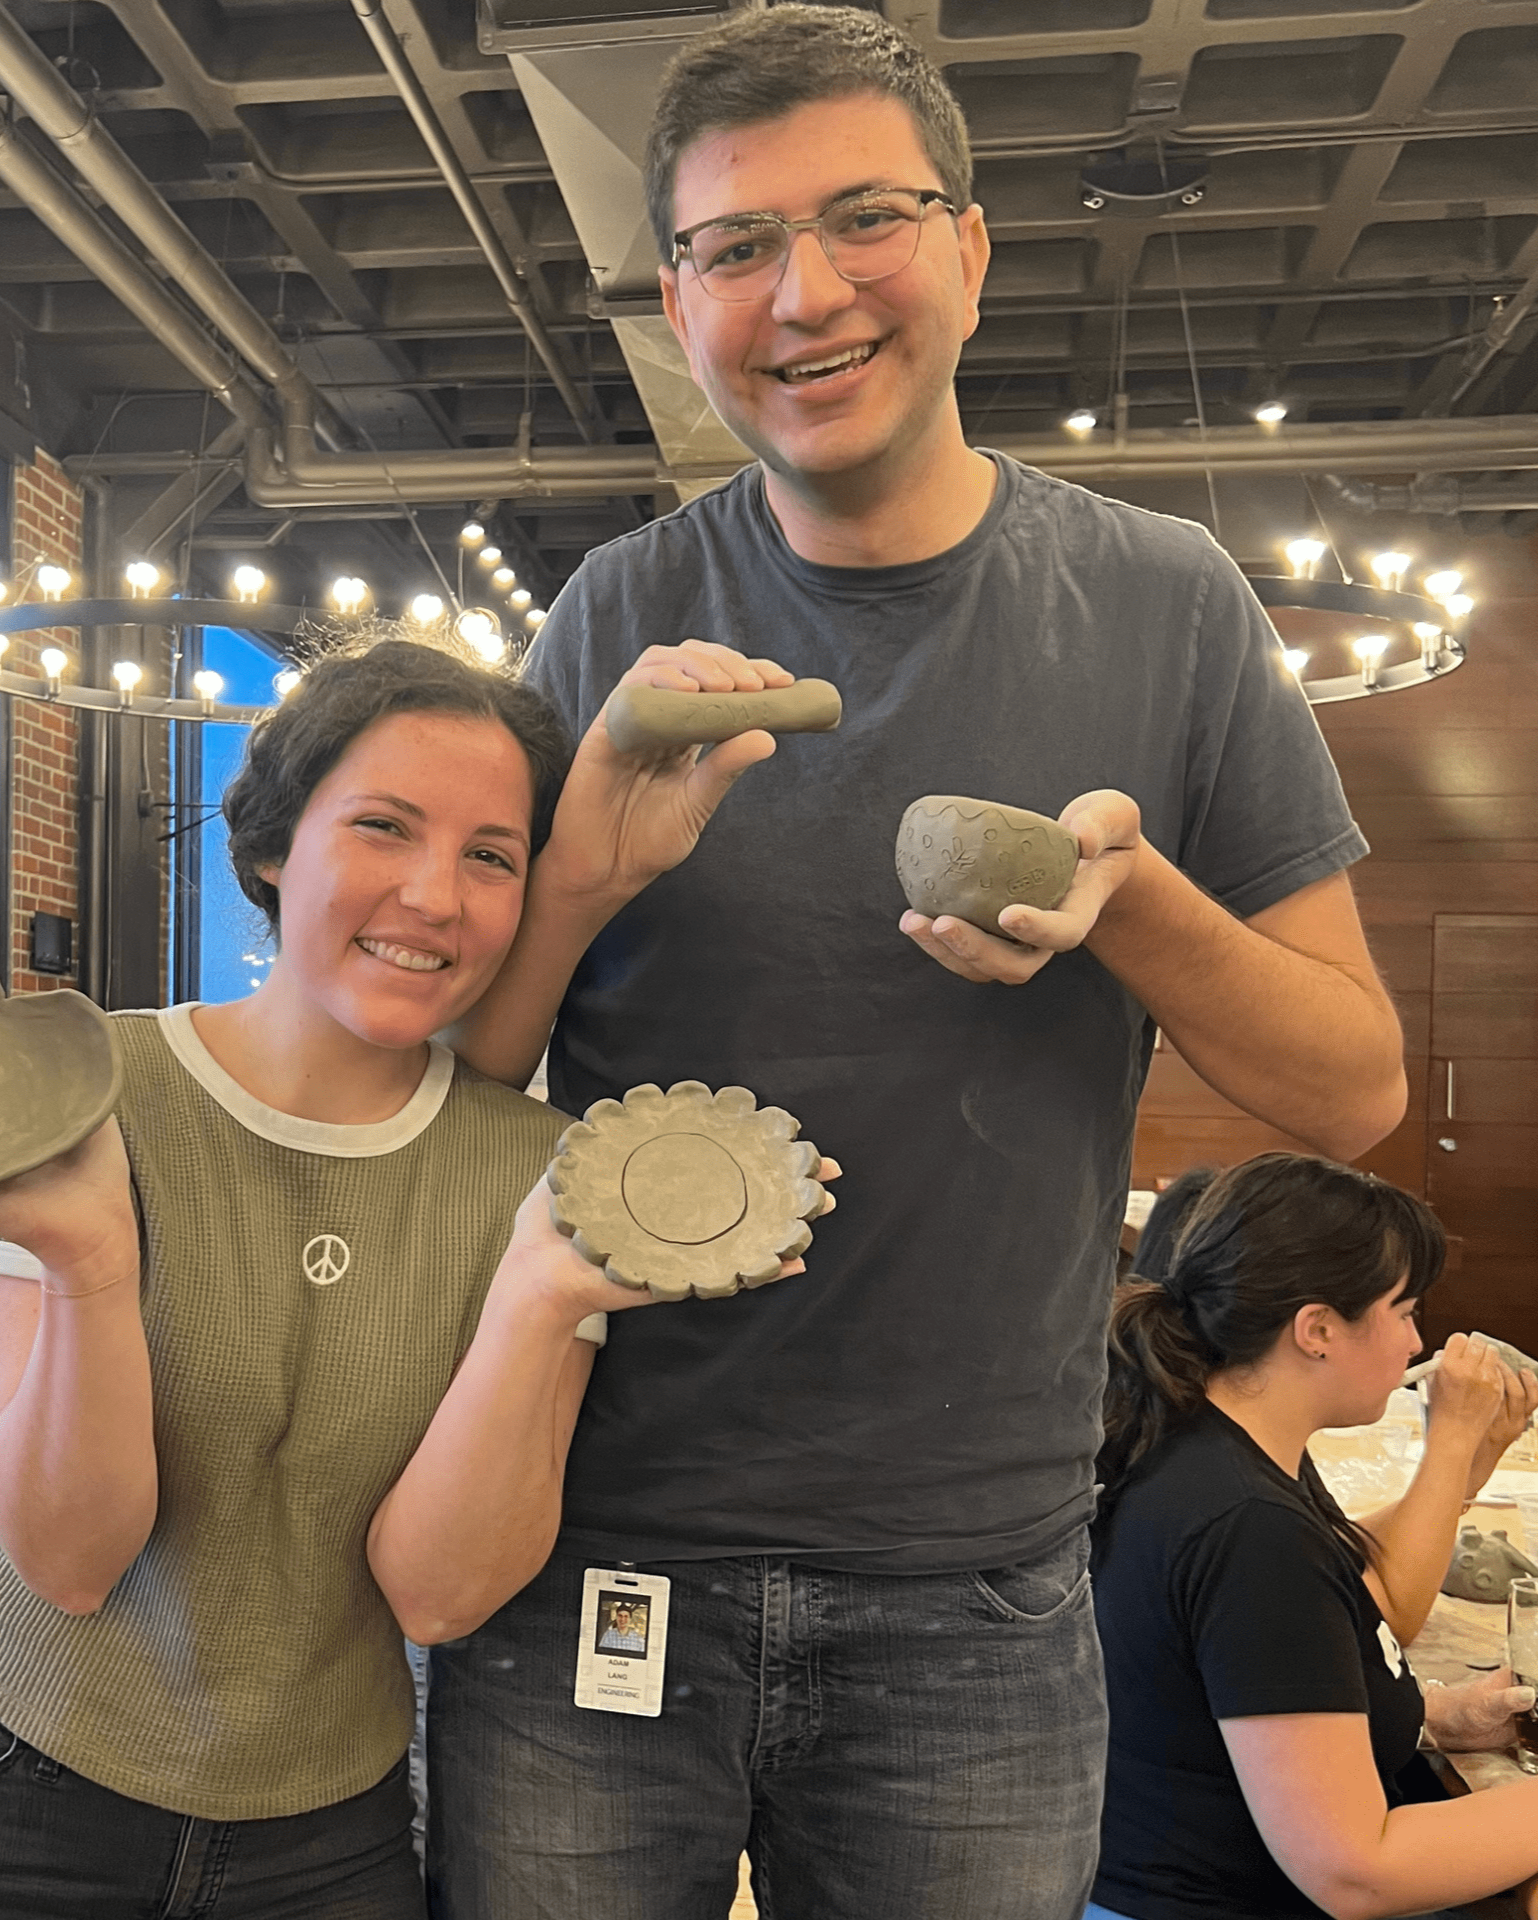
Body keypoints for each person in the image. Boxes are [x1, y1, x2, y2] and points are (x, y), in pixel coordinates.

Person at [429, 7, 1407, 1915]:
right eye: (734, 246)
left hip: (978, 1590)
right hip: (598, 1547)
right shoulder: (616, 619)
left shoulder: (1168, 606)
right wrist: (575, 886)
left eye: (863, 217)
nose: (805, 293)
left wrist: (1137, 905)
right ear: (678, 300)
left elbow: (1354, 1087)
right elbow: (455, 1086)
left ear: (967, 247)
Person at [0, 638, 827, 1920]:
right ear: (276, 845)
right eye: (384, 827)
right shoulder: (77, 1094)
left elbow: (437, 1596)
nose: (435, 897)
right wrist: (89, 1260)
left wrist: (538, 1302)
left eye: (491, 856)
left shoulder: (544, 1173)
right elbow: (66, 1559)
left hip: (320, 1838)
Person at [1090, 1152, 1538, 1920]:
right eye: (1404, 1311)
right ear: (1319, 1329)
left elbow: (1322, 1624)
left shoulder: (1216, 1443)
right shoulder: (1247, 1526)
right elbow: (1355, 1872)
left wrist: (1429, 1713)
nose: (1415, 1342)